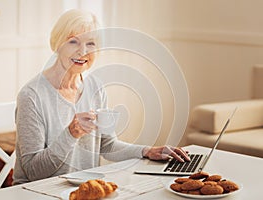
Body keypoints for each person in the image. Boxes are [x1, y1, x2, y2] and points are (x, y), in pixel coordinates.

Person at [13, 9, 190, 185]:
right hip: (37, 191)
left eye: (90, 43)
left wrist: (148, 151)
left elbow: (107, 145)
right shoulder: (31, 96)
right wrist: (71, 133)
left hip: (83, 189)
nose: (83, 51)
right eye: (73, 41)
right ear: (57, 45)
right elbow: (34, 172)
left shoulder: (95, 87)